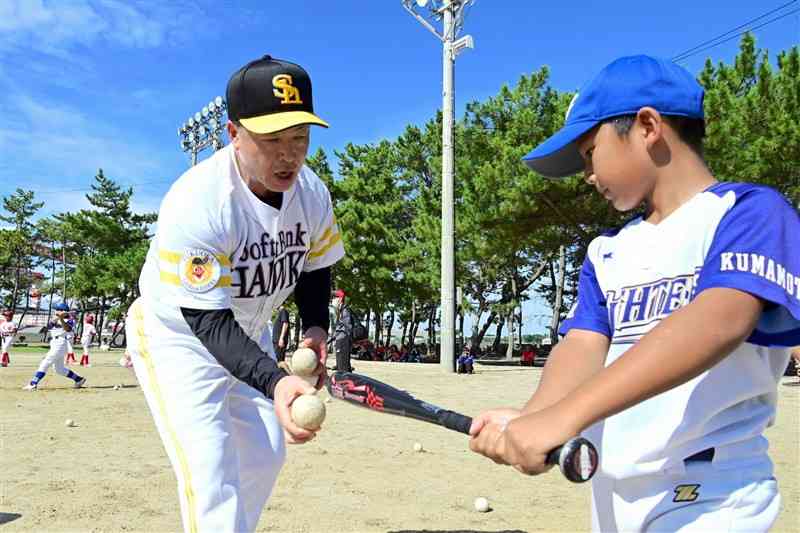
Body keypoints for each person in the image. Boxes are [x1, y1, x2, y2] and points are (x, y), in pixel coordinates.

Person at [468, 55, 799, 533]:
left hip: (713, 493)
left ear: (647, 126)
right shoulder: (607, 251)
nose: (586, 174)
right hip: (615, 492)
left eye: (589, 153)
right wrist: (530, 418)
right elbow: (582, 344)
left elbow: (719, 320)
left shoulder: (746, 212)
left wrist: (565, 416)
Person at [124, 54, 344, 532]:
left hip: (248, 331)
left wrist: (314, 328)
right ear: (233, 134)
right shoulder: (199, 202)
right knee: (211, 474)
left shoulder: (312, 194)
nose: (288, 154)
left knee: (265, 454)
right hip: (179, 337)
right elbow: (207, 321)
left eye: (299, 137)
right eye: (271, 140)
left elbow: (314, 265)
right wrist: (276, 381)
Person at [24, 302, 87, 390]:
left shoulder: (71, 320)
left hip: (61, 343)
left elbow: (68, 329)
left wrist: (62, 318)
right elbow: (49, 326)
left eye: (57, 309)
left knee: (45, 363)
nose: (55, 311)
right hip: (54, 343)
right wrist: (59, 317)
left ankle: (33, 383)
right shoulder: (55, 319)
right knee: (59, 369)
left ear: (62, 310)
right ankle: (79, 379)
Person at [331, 288, 354, 372]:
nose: (332, 300)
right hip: (341, 340)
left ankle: (345, 382)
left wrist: (347, 341)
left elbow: (348, 327)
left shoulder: (345, 310)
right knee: (342, 365)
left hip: (343, 341)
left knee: (343, 367)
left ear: (340, 299)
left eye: (334, 297)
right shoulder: (340, 311)